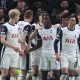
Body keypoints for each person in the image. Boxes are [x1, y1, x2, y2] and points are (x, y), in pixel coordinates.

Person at [26, 12, 60, 80]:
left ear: (50, 19)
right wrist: (30, 50)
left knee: (56, 73)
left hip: (54, 54)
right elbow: (39, 44)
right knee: (44, 74)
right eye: (43, 19)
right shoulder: (39, 31)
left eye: (46, 18)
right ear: (42, 21)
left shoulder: (56, 28)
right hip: (44, 54)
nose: (45, 19)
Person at [0, 9, 24, 80]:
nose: (19, 17)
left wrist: (23, 42)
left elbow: (16, 38)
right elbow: (2, 40)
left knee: (14, 72)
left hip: (15, 52)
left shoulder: (17, 27)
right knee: (5, 74)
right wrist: (14, 47)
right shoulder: (5, 26)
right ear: (15, 16)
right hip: (6, 52)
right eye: (18, 16)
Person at [54, 15, 80, 80]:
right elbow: (55, 42)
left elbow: (78, 43)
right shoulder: (62, 30)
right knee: (64, 73)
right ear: (68, 21)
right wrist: (57, 54)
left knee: (72, 74)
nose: (74, 22)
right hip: (64, 55)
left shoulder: (78, 31)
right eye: (72, 20)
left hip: (73, 56)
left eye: (75, 21)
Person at [17, 10, 33, 80]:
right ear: (31, 17)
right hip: (25, 50)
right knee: (24, 70)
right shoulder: (28, 26)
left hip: (17, 48)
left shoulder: (19, 23)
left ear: (24, 16)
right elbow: (24, 38)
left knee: (19, 69)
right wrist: (23, 50)